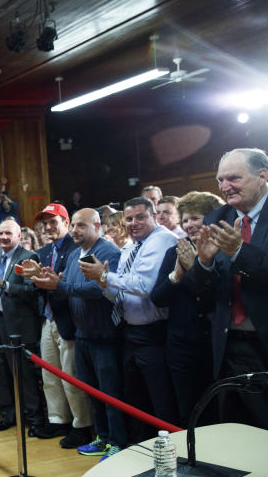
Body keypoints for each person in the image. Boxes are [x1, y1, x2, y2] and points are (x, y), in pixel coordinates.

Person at [80, 197, 179, 446]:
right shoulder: (129, 247)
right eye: (130, 218)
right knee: (135, 399)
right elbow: (120, 293)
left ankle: (172, 452)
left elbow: (145, 287)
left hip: (155, 333)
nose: (134, 223)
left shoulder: (162, 239)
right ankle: (141, 450)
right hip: (130, 331)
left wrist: (104, 275)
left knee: (161, 399)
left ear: (154, 216)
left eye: (140, 217)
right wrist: (103, 282)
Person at [185, 148, 268, 428]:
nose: (224, 187)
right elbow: (203, 292)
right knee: (234, 425)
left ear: (262, 176)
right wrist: (204, 264)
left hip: (263, 342)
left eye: (234, 178)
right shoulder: (215, 218)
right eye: (220, 180)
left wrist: (239, 252)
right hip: (227, 343)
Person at [32, 209, 125, 458]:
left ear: (97, 225)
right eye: (73, 225)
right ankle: (102, 437)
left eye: (81, 226)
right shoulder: (74, 254)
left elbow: (99, 289)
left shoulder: (108, 252)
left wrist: (60, 285)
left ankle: (117, 441)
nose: (74, 230)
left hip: (105, 333)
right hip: (82, 333)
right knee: (92, 391)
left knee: (110, 393)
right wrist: (51, 280)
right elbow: (68, 289)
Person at [150, 191, 223, 424]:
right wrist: (177, 275)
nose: (190, 224)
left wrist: (196, 267)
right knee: (187, 407)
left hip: (215, 343)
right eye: (186, 219)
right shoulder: (175, 250)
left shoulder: (223, 251)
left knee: (218, 408)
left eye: (196, 218)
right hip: (181, 344)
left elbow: (217, 297)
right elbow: (158, 297)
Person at [23, 204, 91, 447]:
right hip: (49, 318)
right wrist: (33, 278)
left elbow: (73, 284)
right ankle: (58, 420)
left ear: (66, 223)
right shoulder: (43, 252)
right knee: (50, 374)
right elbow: (40, 286)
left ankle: (82, 425)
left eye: (54, 222)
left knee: (70, 377)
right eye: (45, 223)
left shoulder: (77, 248)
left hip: (69, 320)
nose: (48, 227)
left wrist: (49, 281)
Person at [0, 219, 45, 431]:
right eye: (0, 234)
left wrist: (4, 285)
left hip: (19, 325)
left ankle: (34, 420)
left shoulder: (29, 257)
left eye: (8, 234)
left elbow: (32, 292)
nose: (3, 238)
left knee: (24, 374)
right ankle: (8, 416)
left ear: (18, 236)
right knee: (0, 372)